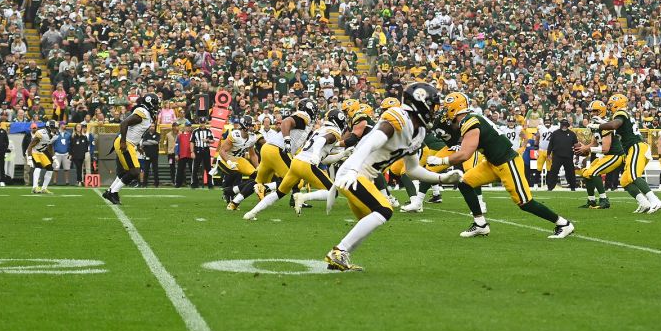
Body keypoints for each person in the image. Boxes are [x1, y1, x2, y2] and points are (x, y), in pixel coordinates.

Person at [325, 83, 463, 271]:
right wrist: (352, 170)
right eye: (431, 106)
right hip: (354, 173)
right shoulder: (399, 118)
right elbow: (371, 142)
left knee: (368, 223)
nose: (433, 111)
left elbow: (413, 169)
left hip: (363, 176)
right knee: (384, 209)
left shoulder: (419, 131)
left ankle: (341, 258)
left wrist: (441, 179)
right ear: (419, 104)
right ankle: (338, 251)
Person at [430, 91, 575, 239]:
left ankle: (563, 224)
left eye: (447, 107)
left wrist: (442, 161)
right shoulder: (467, 121)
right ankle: (480, 224)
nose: (444, 111)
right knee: (464, 183)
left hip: (507, 162)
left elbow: (465, 154)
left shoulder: (470, 122)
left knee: (525, 203)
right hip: (492, 163)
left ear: (455, 107)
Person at [244, 108, 350, 219]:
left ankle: (251, 213)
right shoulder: (333, 132)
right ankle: (303, 197)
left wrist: (343, 154)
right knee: (334, 192)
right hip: (306, 164)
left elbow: (323, 159)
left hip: (296, 162)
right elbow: (320, 142)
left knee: (279, 193)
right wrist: (314, 155)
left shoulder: (321, 130)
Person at [591, 94, 661, 214]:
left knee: (634, 175)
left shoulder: (621, 113)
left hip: (636, 146)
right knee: (625, 180)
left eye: (611, 104)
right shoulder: (624, 115)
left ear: (618, 103)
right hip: (633, 148)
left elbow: (615, 124)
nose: (609, 107)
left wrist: (598, 125)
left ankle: (655, 201)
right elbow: (615, 126)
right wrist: (603, 122)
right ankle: (644, 203)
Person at [103, 93, 159, 205]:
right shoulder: (142, 112)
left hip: (130, 144)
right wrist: (123, 141)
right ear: (149, 103)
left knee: (125, 171)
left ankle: (110, 191)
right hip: (125, 143)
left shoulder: (147, 114)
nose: (157, 106)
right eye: (155, 104)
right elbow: (124, 123)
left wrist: (137, 146)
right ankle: (113, 193)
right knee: (135, 172)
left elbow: (137, 132)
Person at [577, 100, 620, 209]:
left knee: (595, 172)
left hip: (615, 155)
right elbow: (593, 143)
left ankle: (604, 199)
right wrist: (584, 147)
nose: (591, 114)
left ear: (600, 111)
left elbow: (605, 148)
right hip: (606, 155)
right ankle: (591, 200)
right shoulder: (595, 125)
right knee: (586, 173)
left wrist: (588, 149)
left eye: (594, 111)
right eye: (590, 111)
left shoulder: (604, 125)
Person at [545, 119, 578, 191]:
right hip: (557, 156)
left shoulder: (572, 134)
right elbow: (550, 144)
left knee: (570, 172)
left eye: (565, 125)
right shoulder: (555, 133)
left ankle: (573, 187)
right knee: (553, 171)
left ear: (568, 126)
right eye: (563, 125)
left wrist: (577, 156)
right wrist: (548, 153)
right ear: (560, 125)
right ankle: (550, 187)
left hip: (568, 156)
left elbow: (576, 145)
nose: (564, 126)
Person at [28, 121, 55, 194]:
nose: (54, 129)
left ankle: (44, 188)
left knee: (50, 168)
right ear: (48, 127)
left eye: (54, 128)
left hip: (41, 152)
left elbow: (49, 146)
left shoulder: (52, 135)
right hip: (34, 152)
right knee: (38, 167)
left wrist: (54, 157)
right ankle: (34, 187)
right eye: (52, 128)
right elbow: (30, 146)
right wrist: (29, 158)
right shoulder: (41, 133)